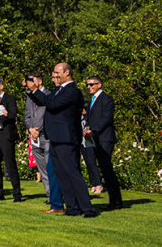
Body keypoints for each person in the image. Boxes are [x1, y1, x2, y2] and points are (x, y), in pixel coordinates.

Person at [24, 63, 95, 217]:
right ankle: (72, 207)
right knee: (61, 175)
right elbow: (45, 100)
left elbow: (53, 104)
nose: (54, 75)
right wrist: (30, 89)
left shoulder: (72, 91)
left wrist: (35, 89)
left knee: (72, 173)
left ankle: (87, 208)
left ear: (67, 72)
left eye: (57, 72)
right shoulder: (58, 90)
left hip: (66, 138)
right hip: (55, 138)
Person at [84, 75, 123, 211]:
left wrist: (93, 131)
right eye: (87, 85)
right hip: (93, 138)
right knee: (99, 167)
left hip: (104, 138)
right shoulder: (90, 101)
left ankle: (116, 201)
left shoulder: (107, 99)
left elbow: (106, 119)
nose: (89, 87)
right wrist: (87, 130)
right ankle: (114, 201)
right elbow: (89, 119)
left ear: (99, 85)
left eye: (91, 84)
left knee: (107, 169)